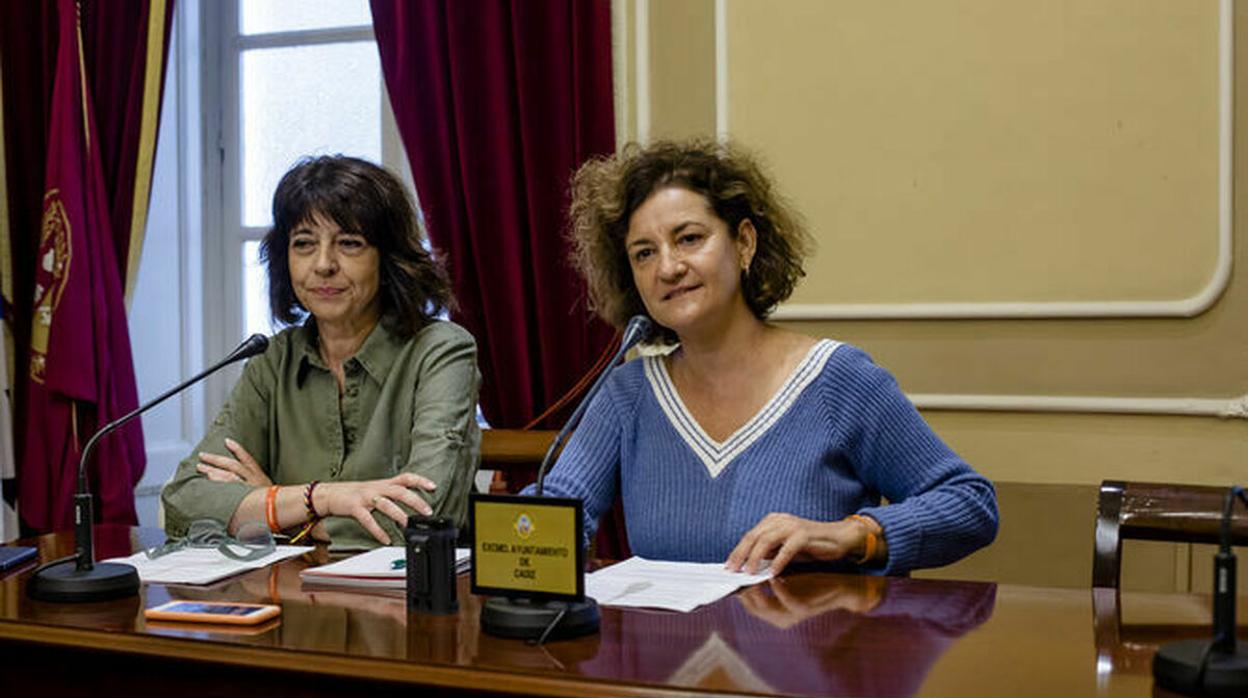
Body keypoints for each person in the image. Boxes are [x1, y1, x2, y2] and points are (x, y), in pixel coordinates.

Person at [534, 140, 998, 575]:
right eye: (644, 253)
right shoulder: (627, 394)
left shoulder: (839, 380)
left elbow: (969, 502)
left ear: (745, 244)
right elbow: (553, 511)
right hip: (661, 662)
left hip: (813, 657)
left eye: (690, 238)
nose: (668, 267)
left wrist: (854, 533)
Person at [162, 155, 481, 549]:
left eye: (349, 243)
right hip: (288, 599)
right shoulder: (272, 360)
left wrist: (278, 508)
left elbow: (423, 520)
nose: (324, 264)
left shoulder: (442, 352)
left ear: (389, 258)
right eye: (304, 244)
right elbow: (183, 502)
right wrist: (323, 498)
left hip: (411, 601)